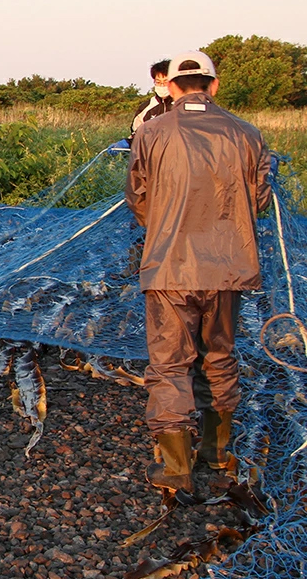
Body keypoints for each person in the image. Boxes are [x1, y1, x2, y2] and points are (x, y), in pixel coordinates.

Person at [125, 51, 273, 494]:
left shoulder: (151, 132)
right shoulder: (247, 133)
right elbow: (259, 200)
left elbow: (139, 197)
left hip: (170, 267)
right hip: (229, 266)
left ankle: (176, 467)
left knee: (170, 365)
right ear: (214, 84)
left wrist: (169, 226)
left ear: (170, 86)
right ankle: (216, 453)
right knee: (220, 356)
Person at [107, 59, 173, 153]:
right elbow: (137, 135)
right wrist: (126, 143)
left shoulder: (183, 105)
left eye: (165, 82)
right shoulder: (147, 107)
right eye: (158, 82)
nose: (162, 86)